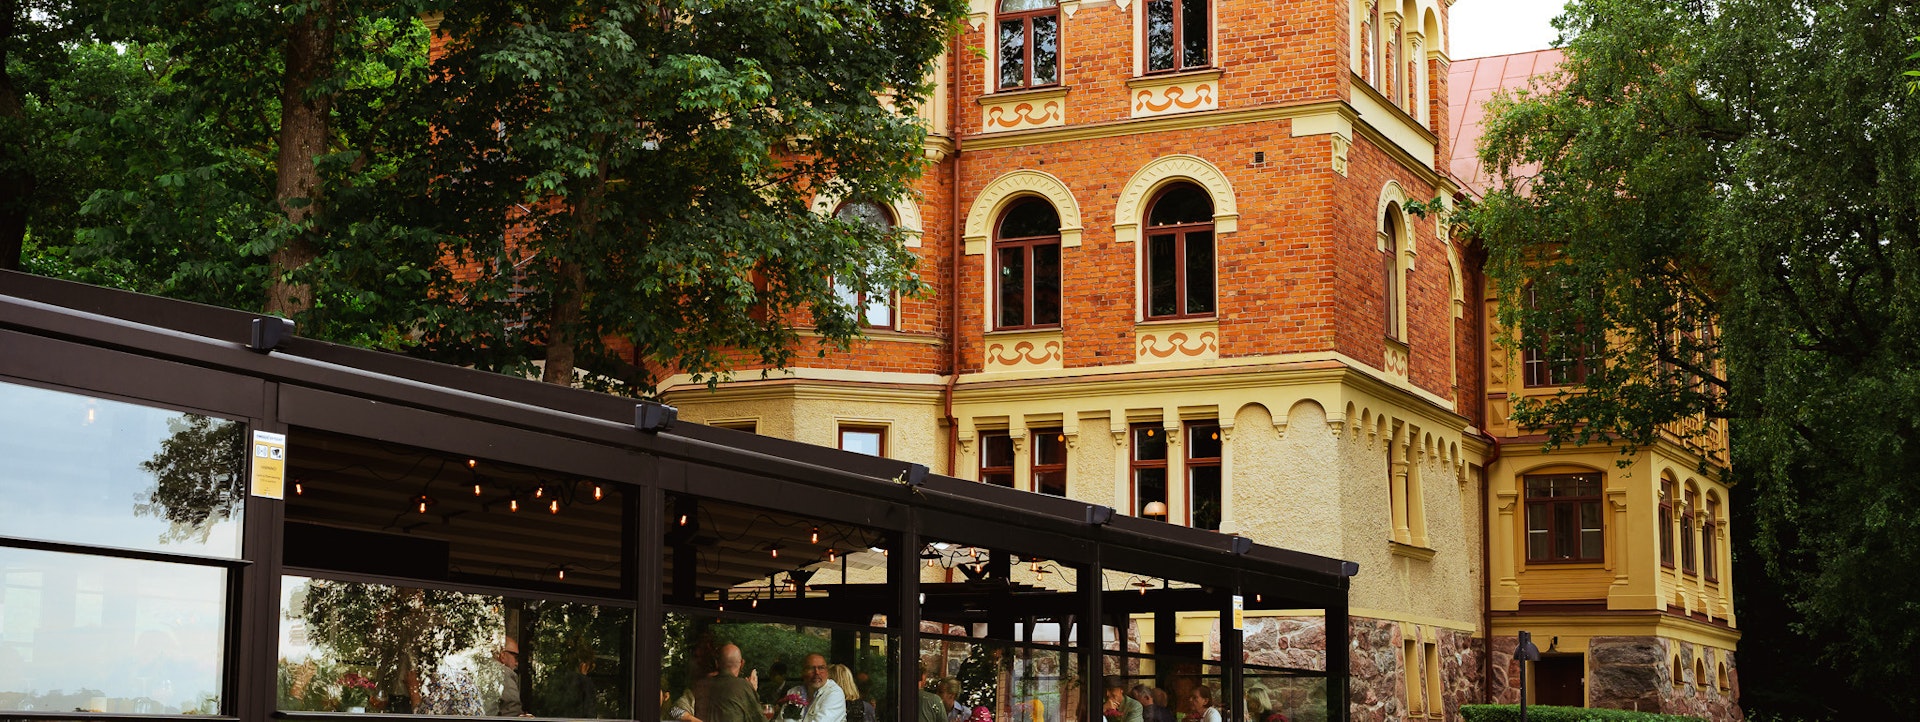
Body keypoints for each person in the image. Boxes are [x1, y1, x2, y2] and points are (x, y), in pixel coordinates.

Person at [707, 644, 764, 722]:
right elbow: (759, 719)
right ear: (742, 663)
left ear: (717, 663)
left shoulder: (703, 686)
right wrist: (751, 691)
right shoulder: (743, 686)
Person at [790, 654, 846, 722]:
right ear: (803, 672)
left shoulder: (834, 693)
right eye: (811, 668)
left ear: (827, 672)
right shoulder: (794, 692)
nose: (817, 672)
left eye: (821, 668)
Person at [485, 636, 526, 717]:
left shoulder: (478, 672)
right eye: (516, 657)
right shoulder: (504, 673)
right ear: (503, 655)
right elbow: (512, 709)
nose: (516, 663)